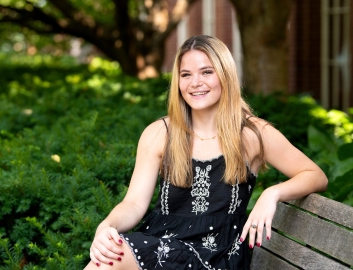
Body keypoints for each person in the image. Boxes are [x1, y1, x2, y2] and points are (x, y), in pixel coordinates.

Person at [83, 35, 327, 270]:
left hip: (218, 256)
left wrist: (272, 194)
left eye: (206, 72)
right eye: (185, 75)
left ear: (225, 76)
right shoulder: (160, 133)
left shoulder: (252, 133)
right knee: (112, 251)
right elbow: (134, 203)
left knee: (116, 256)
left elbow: (315, 175)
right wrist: (107, 226)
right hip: (162, 244)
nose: (195, 83)